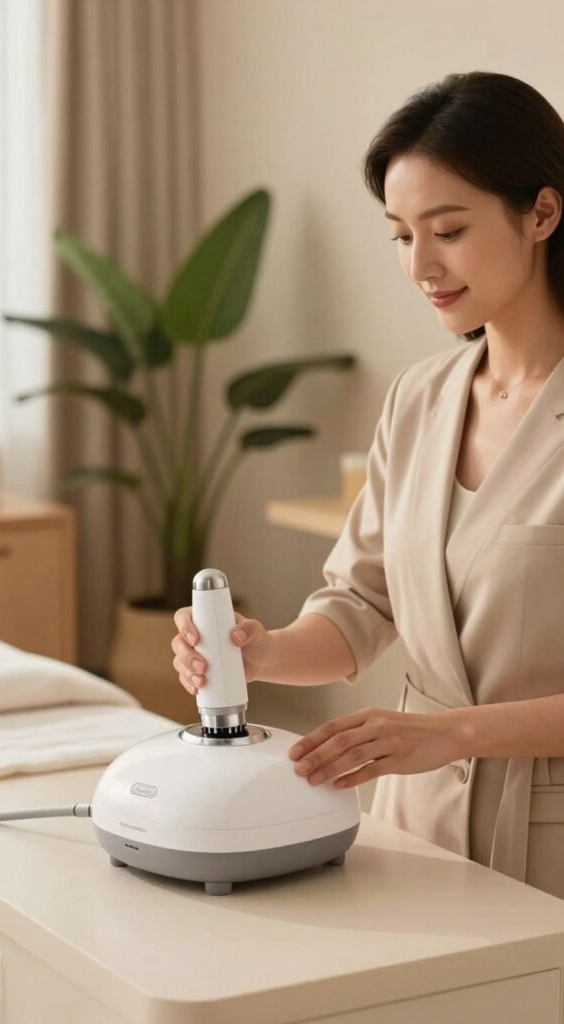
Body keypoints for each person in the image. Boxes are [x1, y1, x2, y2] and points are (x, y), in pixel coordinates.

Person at [172, 71, 564, 900]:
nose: (420, 264)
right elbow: (363, 605)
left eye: (447, 230)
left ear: (540, 213)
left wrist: (449, 732)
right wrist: (263, 650)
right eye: (398, 234)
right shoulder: (421, 396)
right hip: (415, 830)